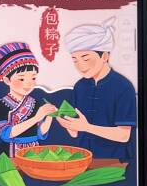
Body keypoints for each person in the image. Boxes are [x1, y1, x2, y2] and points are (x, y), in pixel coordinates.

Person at [56, 16, 138, 164]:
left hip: (113, 160)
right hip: (82, 158)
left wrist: (86, 127)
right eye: (75, 60)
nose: (80, 65)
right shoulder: (80, 86)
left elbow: (123, 135)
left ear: (104, 56)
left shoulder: (123, 87)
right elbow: (76, 134)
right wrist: (68, 124)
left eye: (86, 58)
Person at [0, 41, 58, 158]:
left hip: (34, 152)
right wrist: (37, 117)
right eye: (22, 79)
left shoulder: (35, 103)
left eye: (33, 78)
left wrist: (50, 116)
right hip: (9, 153)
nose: (29, 84)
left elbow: (40, 133)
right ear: (7, 80)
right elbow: (6, 134)